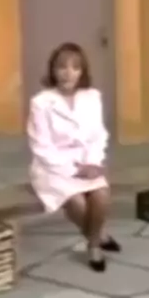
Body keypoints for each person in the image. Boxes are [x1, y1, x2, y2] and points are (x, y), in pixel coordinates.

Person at [27, 42, 121, 272]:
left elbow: (98, 135)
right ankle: (96, 244)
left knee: (101, 194)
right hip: (52, 166)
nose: (68, 73)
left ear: (82, 71)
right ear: (53, 70)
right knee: (77, 201)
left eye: (75, 67)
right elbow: (41, 146)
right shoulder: (41, 102)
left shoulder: (92, 97)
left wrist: (93, 163)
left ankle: (96, 237)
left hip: (86, 161)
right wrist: (72, 170)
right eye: (62, 67)